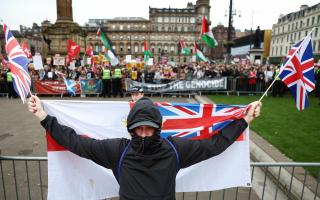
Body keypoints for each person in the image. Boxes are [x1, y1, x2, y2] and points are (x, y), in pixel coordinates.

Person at [28, 96, 261, 200]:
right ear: (130, 128)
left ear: (157, 128)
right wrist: (43, 116)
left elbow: (214, 146)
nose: (143, 133)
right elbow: (77, 143)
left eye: (148, 129)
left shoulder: (175, 149)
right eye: (138, 129)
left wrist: (244, 121)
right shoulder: (118, 151)